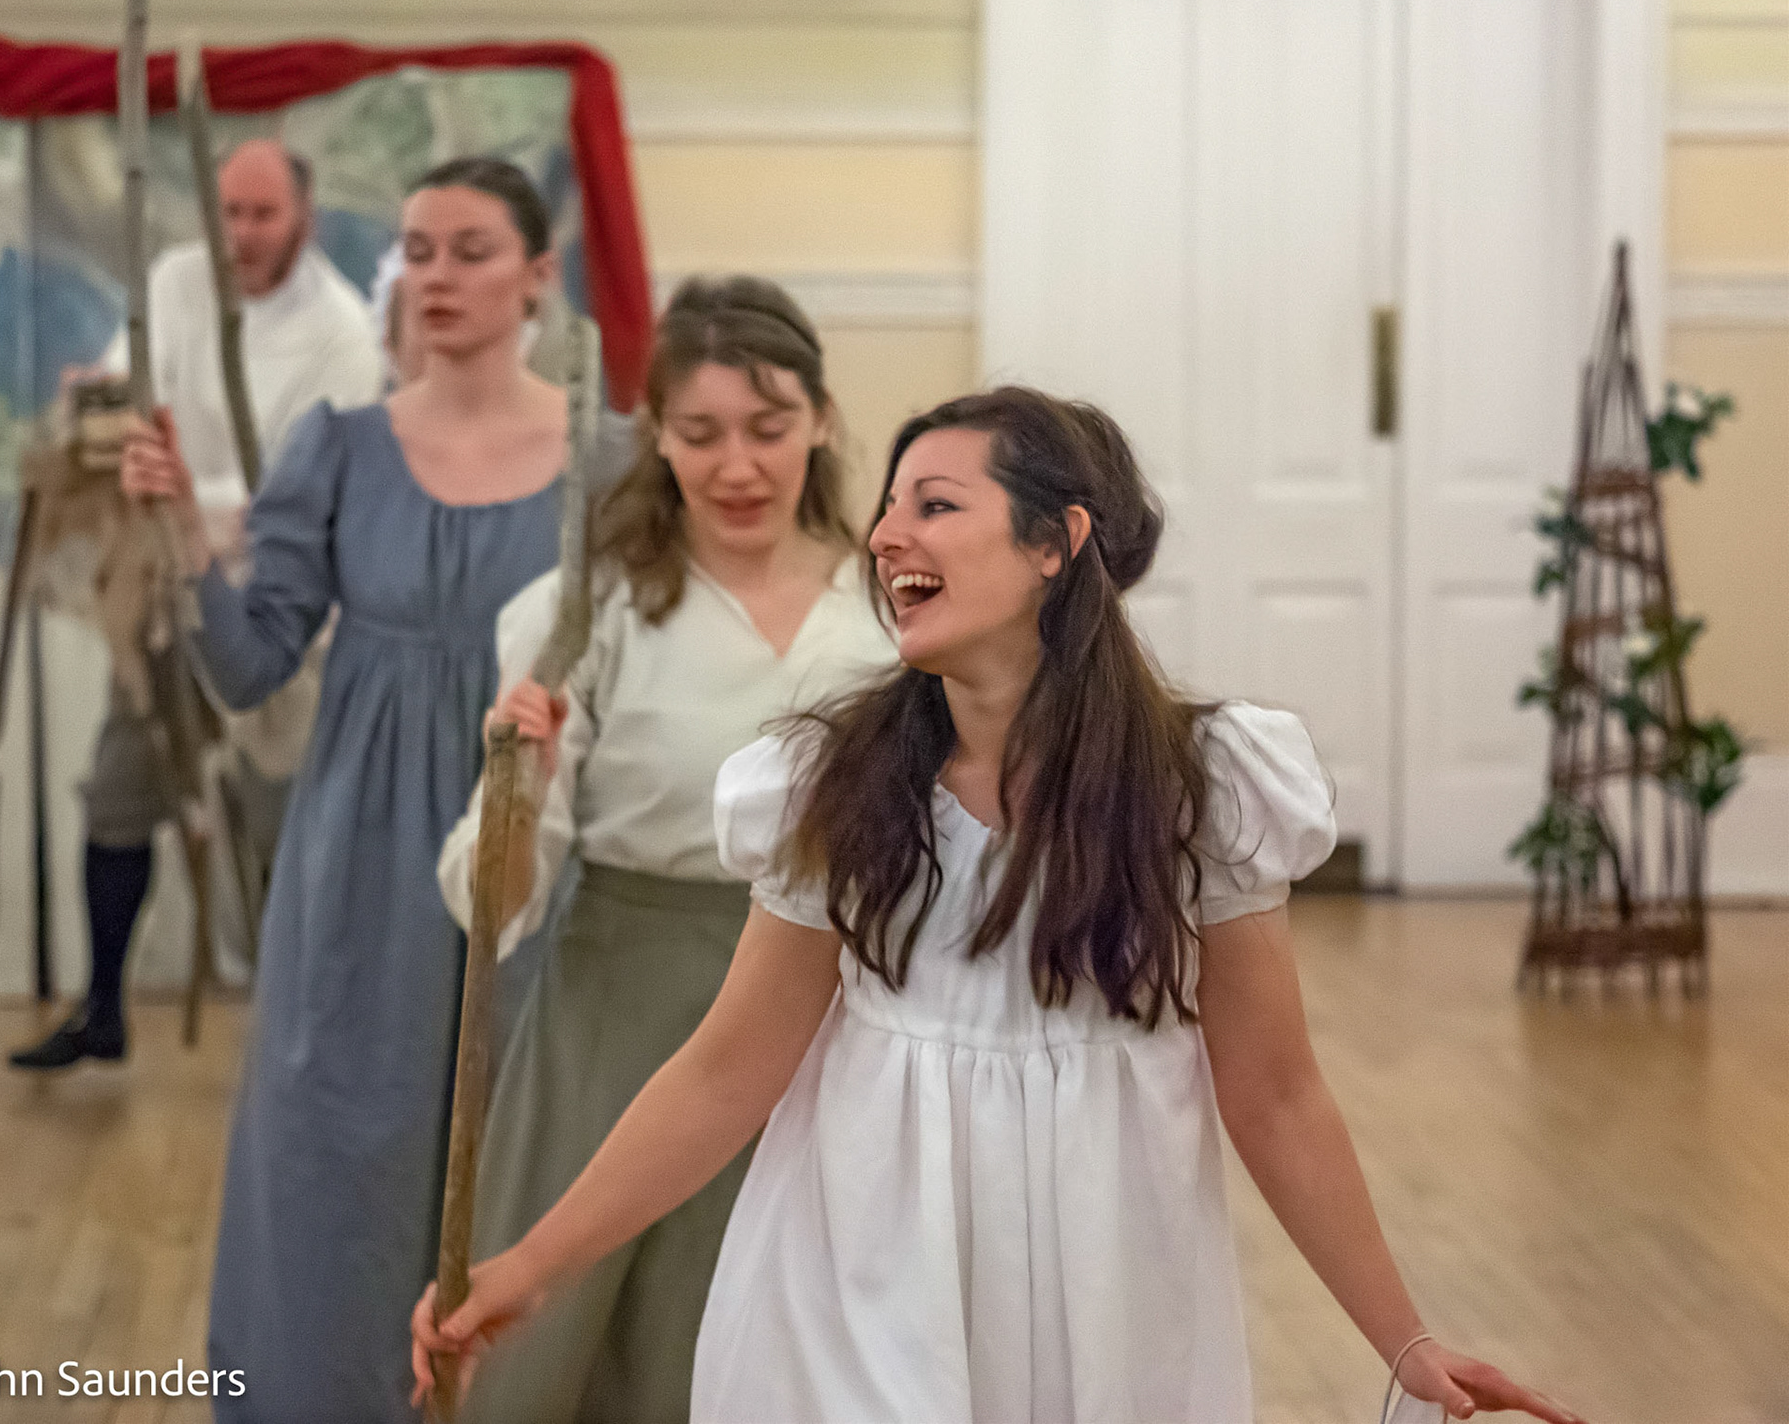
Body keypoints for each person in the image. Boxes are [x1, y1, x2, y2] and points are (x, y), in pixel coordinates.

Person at [414, 387, 1587, 1424]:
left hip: (1107, 1289)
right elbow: (727, 1069)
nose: (886, 535)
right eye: (887, 508)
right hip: (862, 1270)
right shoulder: (830, 784)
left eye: (934, 504)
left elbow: (1275, 1090)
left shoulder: (1201, 786)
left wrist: (1406, 1338)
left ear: (1056, 543)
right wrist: (531, 1265)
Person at [122, 156, 586, 1423]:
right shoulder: (336, 446)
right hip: (364, 862)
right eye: (418, 250)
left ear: (537, 274)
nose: (437, 275)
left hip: (539, 846)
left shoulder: (609, 458)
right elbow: (248, 664)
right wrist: (181, 537)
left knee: (525, 1147)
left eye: (472, 250)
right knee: (342, 1154)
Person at [434, 275, 898, 1423]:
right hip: (621, 1020)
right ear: (656, 438)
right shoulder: (583, 613)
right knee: (577, 1349)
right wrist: (519, 781)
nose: (737, 464)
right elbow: (493, 903)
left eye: (768, 427)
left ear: (822, 421)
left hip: (837, 1022)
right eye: (700, 433)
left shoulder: (890, 612)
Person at [10, 139, 383, 1070]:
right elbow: (123, 401)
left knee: (278, 813)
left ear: (305, 218)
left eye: (262, 215)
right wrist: (99, 415)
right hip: (166, 595)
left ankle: (301, 1028)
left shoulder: (342, 333)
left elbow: (303, 495)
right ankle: (102, 1008)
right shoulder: (176, 282)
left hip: (278, 609)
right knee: (118, 790)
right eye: (229, 213)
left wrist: (191, 495)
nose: (240, 234)